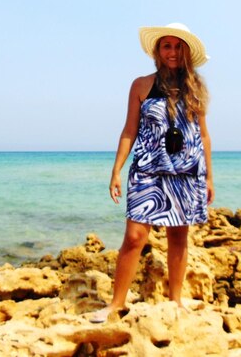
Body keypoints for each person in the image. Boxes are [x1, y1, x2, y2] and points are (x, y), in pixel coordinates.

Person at [90, 22, 214, 323]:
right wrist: (116, 170)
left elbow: (203, 134)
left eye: (177, 46)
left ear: (185, 52)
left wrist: (209, 177)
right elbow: (129, 129)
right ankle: (116, 304)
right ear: (158, 51)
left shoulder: (195, 87)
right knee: (134, 237)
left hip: (185, 173)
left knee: (178, 236)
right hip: (148, 172)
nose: (172, 52)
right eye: (166, 46)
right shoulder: (141, 85)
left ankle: (176, 301)